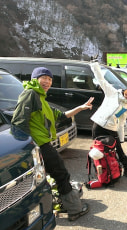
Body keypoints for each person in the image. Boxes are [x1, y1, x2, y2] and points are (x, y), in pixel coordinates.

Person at [11, 67, 94, 221]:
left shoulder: (41, 98)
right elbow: (18, 122)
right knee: (61, 174)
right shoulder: (30, 94)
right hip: (40, 145)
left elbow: (60, 116)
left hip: (42, 144)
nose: (47, 82)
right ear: (35, 79)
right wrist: (28, 147)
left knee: (48, 177)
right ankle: (74, 210)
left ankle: (55, 205)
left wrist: (80, 108)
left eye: (49, 79)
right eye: (44, 78)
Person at [90, 62, 127, 178]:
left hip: (111, 128)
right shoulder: (113, 93)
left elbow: (121, 123)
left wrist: (121, 139)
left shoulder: (126, 108)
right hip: (98, 124)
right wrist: (94, 66)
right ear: (126, 91)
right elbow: (102, 80)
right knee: (96, 148)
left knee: (119, 150)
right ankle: (99, 171)